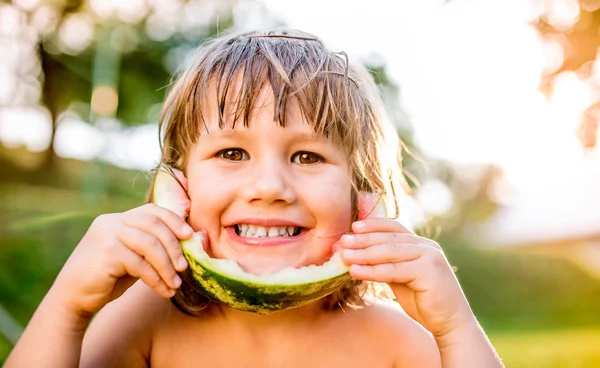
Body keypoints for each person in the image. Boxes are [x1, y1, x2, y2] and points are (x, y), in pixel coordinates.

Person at [6, 28, 503, 367]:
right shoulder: (144, 321)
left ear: (361, 196)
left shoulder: (396, 341)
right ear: (179, 189)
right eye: (231, 152)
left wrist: (455, 328)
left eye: (308, 157)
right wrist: (66, 307)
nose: (269, 187)